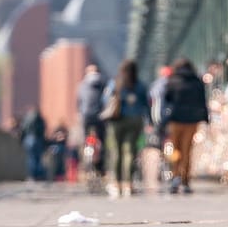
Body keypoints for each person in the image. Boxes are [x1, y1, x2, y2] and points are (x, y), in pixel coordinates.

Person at [101, 59, 151, 198]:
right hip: (135, 120)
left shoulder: (116, 83)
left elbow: (105, 100)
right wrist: (149, 121)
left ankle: (116, 184)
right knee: (130, 152)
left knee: (116, 151)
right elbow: (146, 104)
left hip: (117, 121)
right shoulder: (140, 85)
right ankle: (128, 184)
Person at [162, 58, 210, 193]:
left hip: (176, 120)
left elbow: (166, 99)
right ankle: (186, 180)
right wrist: (205, 118)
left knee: (175, 150)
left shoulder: (172, 80)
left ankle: (175, 176)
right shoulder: (197, 82)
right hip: (191, 121)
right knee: (187, 150)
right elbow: (202, 101)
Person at [75, 64, 107, 173]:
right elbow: (106, 99)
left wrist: (80, 113)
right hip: (100, 116)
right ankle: (100, 165)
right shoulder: (103, 83)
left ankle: (85, 159)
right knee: (102, 138)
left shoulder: (81, 85)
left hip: (86, 116)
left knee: (85, 138)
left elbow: (78, 102)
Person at [20, 106, 48, 181]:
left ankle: (31, 175)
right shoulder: (40, 119)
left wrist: (22, 139)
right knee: (38, 158)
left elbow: (23, 129)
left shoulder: (27, 118)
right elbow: (43, 130)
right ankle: (38, 175)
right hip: (38, 139)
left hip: (29, 139)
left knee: (31, 158)